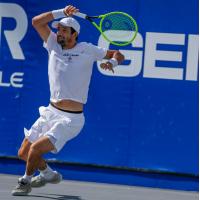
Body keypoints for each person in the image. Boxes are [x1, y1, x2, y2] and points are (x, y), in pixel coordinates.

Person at [12, 5, 125, 196]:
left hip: (70, 120)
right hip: (50, 111)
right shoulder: (53, 44)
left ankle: (25, 181)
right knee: (24, 152)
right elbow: (36, 22)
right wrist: (61, 12)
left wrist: (112, 62)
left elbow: (118, 53)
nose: (59, 33)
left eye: (64, 30)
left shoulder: (87, 49)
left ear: (74, 34)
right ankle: (47, 173)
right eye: (58, 29)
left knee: (37, 148)